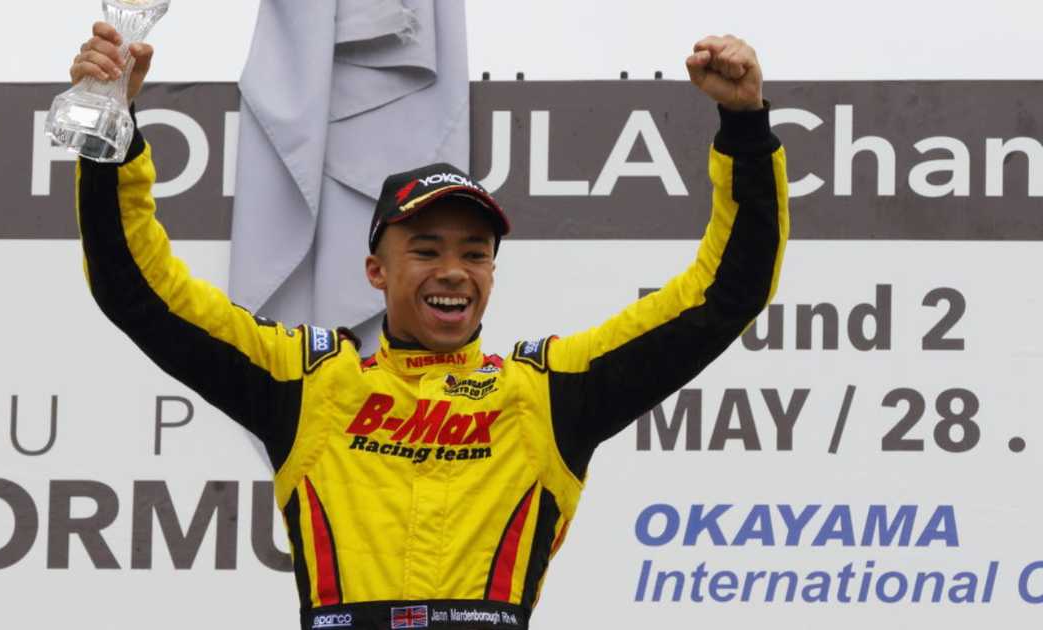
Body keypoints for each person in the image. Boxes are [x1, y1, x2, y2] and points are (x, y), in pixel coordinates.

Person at [72, 21, 788, 630]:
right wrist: (112, 132)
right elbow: (141, 294)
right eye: (426, 249)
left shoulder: (543, 395)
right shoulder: (312, 384)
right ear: (376, 271)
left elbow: (725, 296)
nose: (454, 270)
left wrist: (746, 128)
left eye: (474, 253)